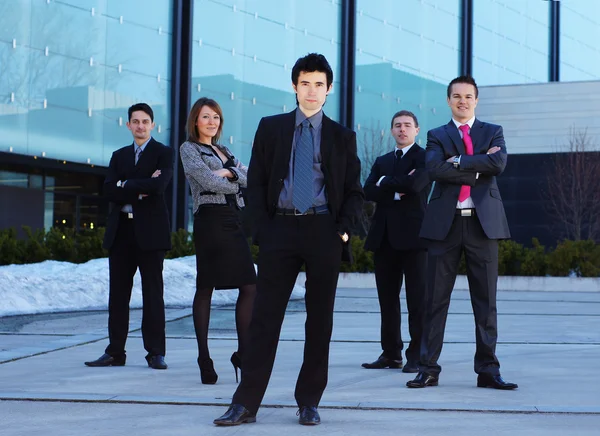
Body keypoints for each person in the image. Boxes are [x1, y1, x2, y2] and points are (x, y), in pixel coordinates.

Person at [213, 53, 364, 427]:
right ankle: (245, 402)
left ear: (328, 90)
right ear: (294, 86)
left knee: (319, 320)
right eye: (304, 83)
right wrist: (262, 230)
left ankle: (309, 401)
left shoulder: (342, 136)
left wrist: (342, 229)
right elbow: (258, 180)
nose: (311, 91)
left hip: (323, 230)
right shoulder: (271, 127)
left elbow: (354, 190)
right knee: (264, 319)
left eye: (318, 84)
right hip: (279, 229)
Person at [407, 76, 517, 390]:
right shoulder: (435, 134)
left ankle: (488, 370)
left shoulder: (492, 131)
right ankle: (428, 369)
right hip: (446, 224)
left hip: (484, 225)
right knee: (435, 301)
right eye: (456, 96)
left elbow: (498, 163)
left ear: (476, 100)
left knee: (486, 301)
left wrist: (458, 161)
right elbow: (435, 170)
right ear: (448, 100)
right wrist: (477, 164)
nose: (462, 101)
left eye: (468, 96)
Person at [85, 103, 173, 370]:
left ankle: (155, 352)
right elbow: (109, 190)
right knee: (118, 295)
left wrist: (126, 184)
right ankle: (115, 352)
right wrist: (138, 187)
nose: (140, 126)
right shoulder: (119, 155)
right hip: (121, 231)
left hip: (151, 233)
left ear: (153, 125)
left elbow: (159, 186)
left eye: (145, 121)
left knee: (153, 294)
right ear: (128, 125)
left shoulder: (163, 153)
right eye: (135, 121)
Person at [179, 97, 257, 385]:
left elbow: (253, 177)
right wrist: (235, 177)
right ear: (195, 121)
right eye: (205, 117)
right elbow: (207, 181)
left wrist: (229, 171)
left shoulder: (223, 150)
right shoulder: (189, 149)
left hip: (234, 219)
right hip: (211, 220)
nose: (211, 122)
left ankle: (244, 354)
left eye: (215, 117)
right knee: (206, 286)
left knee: (250, 285)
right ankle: (204, 357)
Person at [362, 110, 430, 374]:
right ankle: (391, 353)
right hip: (384, 239)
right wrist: (396, 188)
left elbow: (416, 186)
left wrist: (386, 185)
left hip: (415, 240)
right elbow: (368, 190)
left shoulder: (425, 157)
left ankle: (418, 355)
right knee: (387, 300)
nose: (402, 129)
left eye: (407, 125)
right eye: (397, 125)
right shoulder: (381, 160)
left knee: (418, 301)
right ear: (391, 130)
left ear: (417, 129)